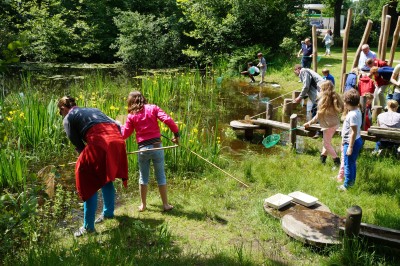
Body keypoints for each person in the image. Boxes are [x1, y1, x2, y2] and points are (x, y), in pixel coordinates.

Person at [58, 96, 128, 237]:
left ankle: (88, 227)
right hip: (117, 140)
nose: (61, 115)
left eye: (60, 112)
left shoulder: (68, 118)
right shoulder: (93, 109)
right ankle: (108, 212)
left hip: (100, 142)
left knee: (88, 181)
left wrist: (86, 161)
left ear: (63, 108)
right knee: (105, 176)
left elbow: (79, 146)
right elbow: (118, 125)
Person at [121, 91, 179, 212]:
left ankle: (143, 205)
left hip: (143, 150)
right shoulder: (153, 108)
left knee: (143, 177)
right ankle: (165, 205)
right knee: (161, 176)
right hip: (158, 147)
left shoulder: (131, 115)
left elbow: (125, 134)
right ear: (143, 98)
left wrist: (118, 128)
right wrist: (176, 134)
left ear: (131, 101)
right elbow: (168, 120)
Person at [303, 80, 343, 165]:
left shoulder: (323, 101)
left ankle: (336, 161)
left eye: (320, 89)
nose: (319, 90)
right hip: (335, 124)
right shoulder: (334, 96)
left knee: (327, 144)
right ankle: (322, 160)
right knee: (327, 142)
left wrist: (309, 123)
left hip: (328, 126)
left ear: (323, 89)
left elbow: (318, 116)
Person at [337, 89, 363, 191]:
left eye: (344, 101)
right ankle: (352, 182)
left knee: (348, 164)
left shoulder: (352, 114)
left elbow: (353, 131)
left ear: (347, 103)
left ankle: (346, 185)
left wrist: (350, 147)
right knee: (352, 163)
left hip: (351, 142)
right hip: (356, 140)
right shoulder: (357, 111)